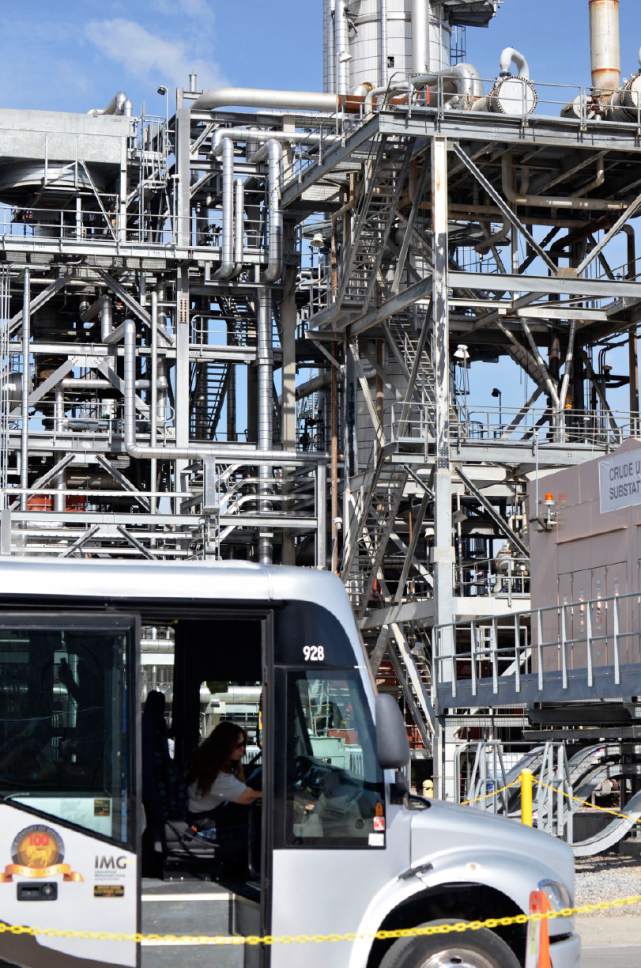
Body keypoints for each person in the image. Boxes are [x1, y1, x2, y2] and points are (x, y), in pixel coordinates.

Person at [187, 722, 261, 876]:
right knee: (259, 835)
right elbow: (247, 797)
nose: (244, 750)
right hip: (201, 827)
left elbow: (241, 785)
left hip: (206, 817)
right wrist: (275, 793)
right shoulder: (216, 776)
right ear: (225, 747)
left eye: (245, 744)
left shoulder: (212, 764)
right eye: (239, 745)